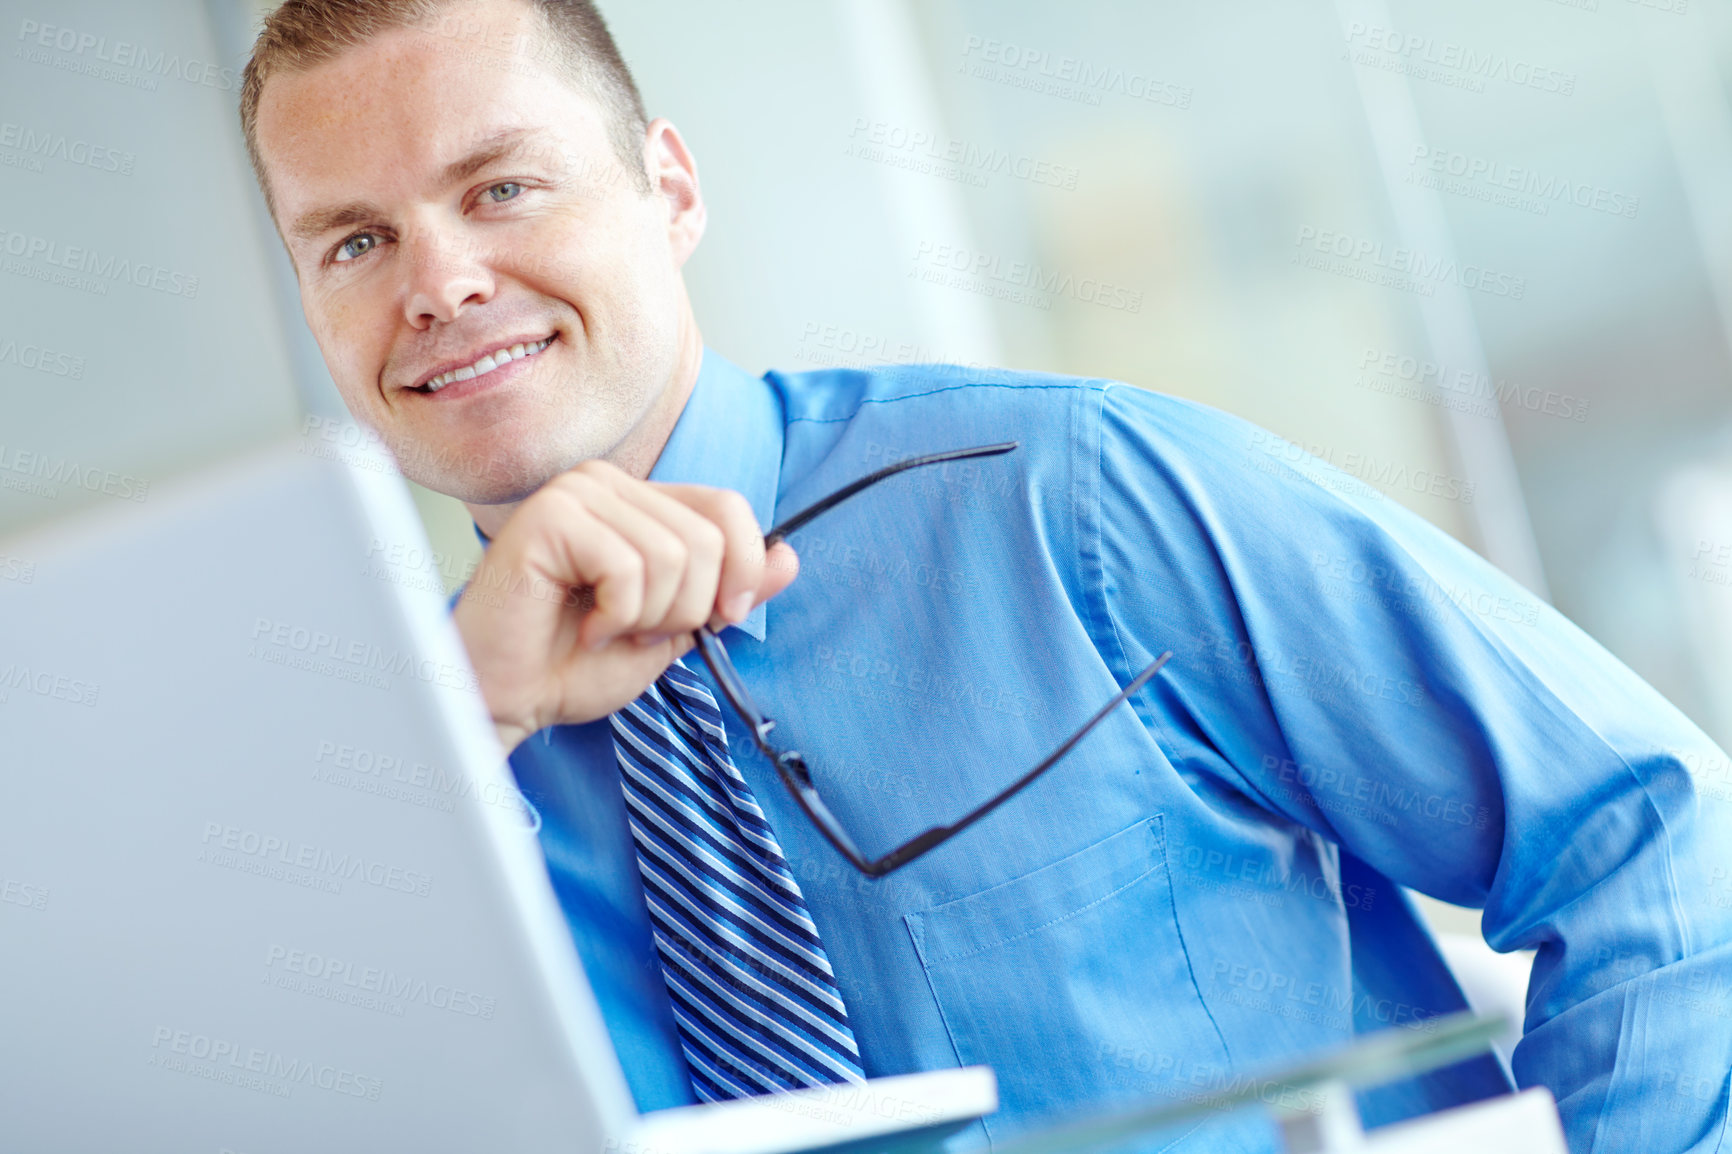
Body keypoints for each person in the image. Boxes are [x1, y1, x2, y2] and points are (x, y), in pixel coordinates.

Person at [240, 0, 1732, 1148]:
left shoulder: (1071, 500)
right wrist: (458, 734)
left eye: (500, 189)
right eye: (353, 240)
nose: (433, 282)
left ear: (670, 191)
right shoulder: (390, 787)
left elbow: (1655, 836)